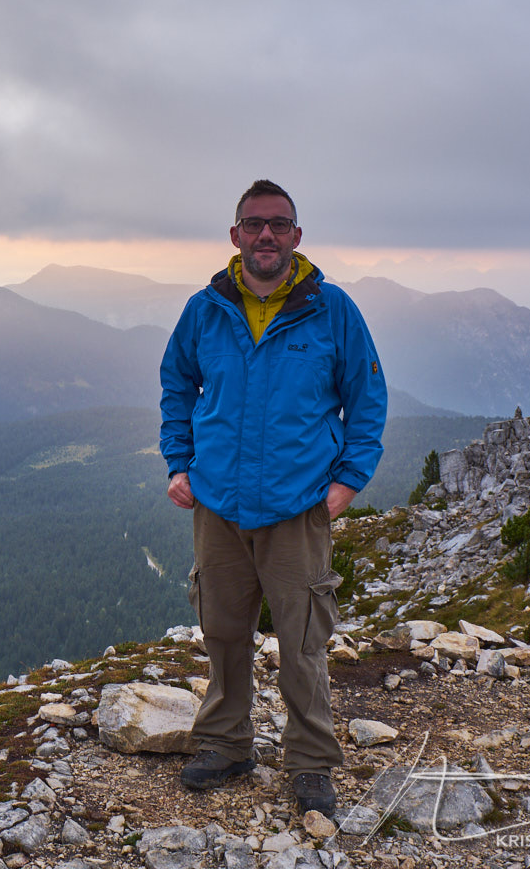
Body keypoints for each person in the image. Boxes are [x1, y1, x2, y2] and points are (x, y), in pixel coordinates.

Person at [158, 179, 387, 818]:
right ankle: (226, 743)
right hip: (218, 504)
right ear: (235, 236)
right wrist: (179, 462)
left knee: (303, 641)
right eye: (254, 225)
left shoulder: (331, 309)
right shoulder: (206, 309)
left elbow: (367, 397)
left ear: (296, 236)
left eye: (278, 225)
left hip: (297, 507)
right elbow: (177, 384)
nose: (266, 235)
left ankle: (311, 764)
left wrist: (348, 480)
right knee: (223, 632)